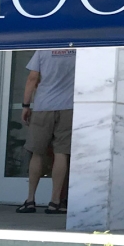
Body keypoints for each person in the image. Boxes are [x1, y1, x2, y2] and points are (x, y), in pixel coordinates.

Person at [17, 49, 75, 214]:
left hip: (43, 106)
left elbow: (32, 78)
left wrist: (26, 106)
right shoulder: (77, 49)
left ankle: (30, 200)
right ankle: (55, 202)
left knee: (37, 153)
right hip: (68, 106)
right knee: (61, 153)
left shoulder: (44, 50)